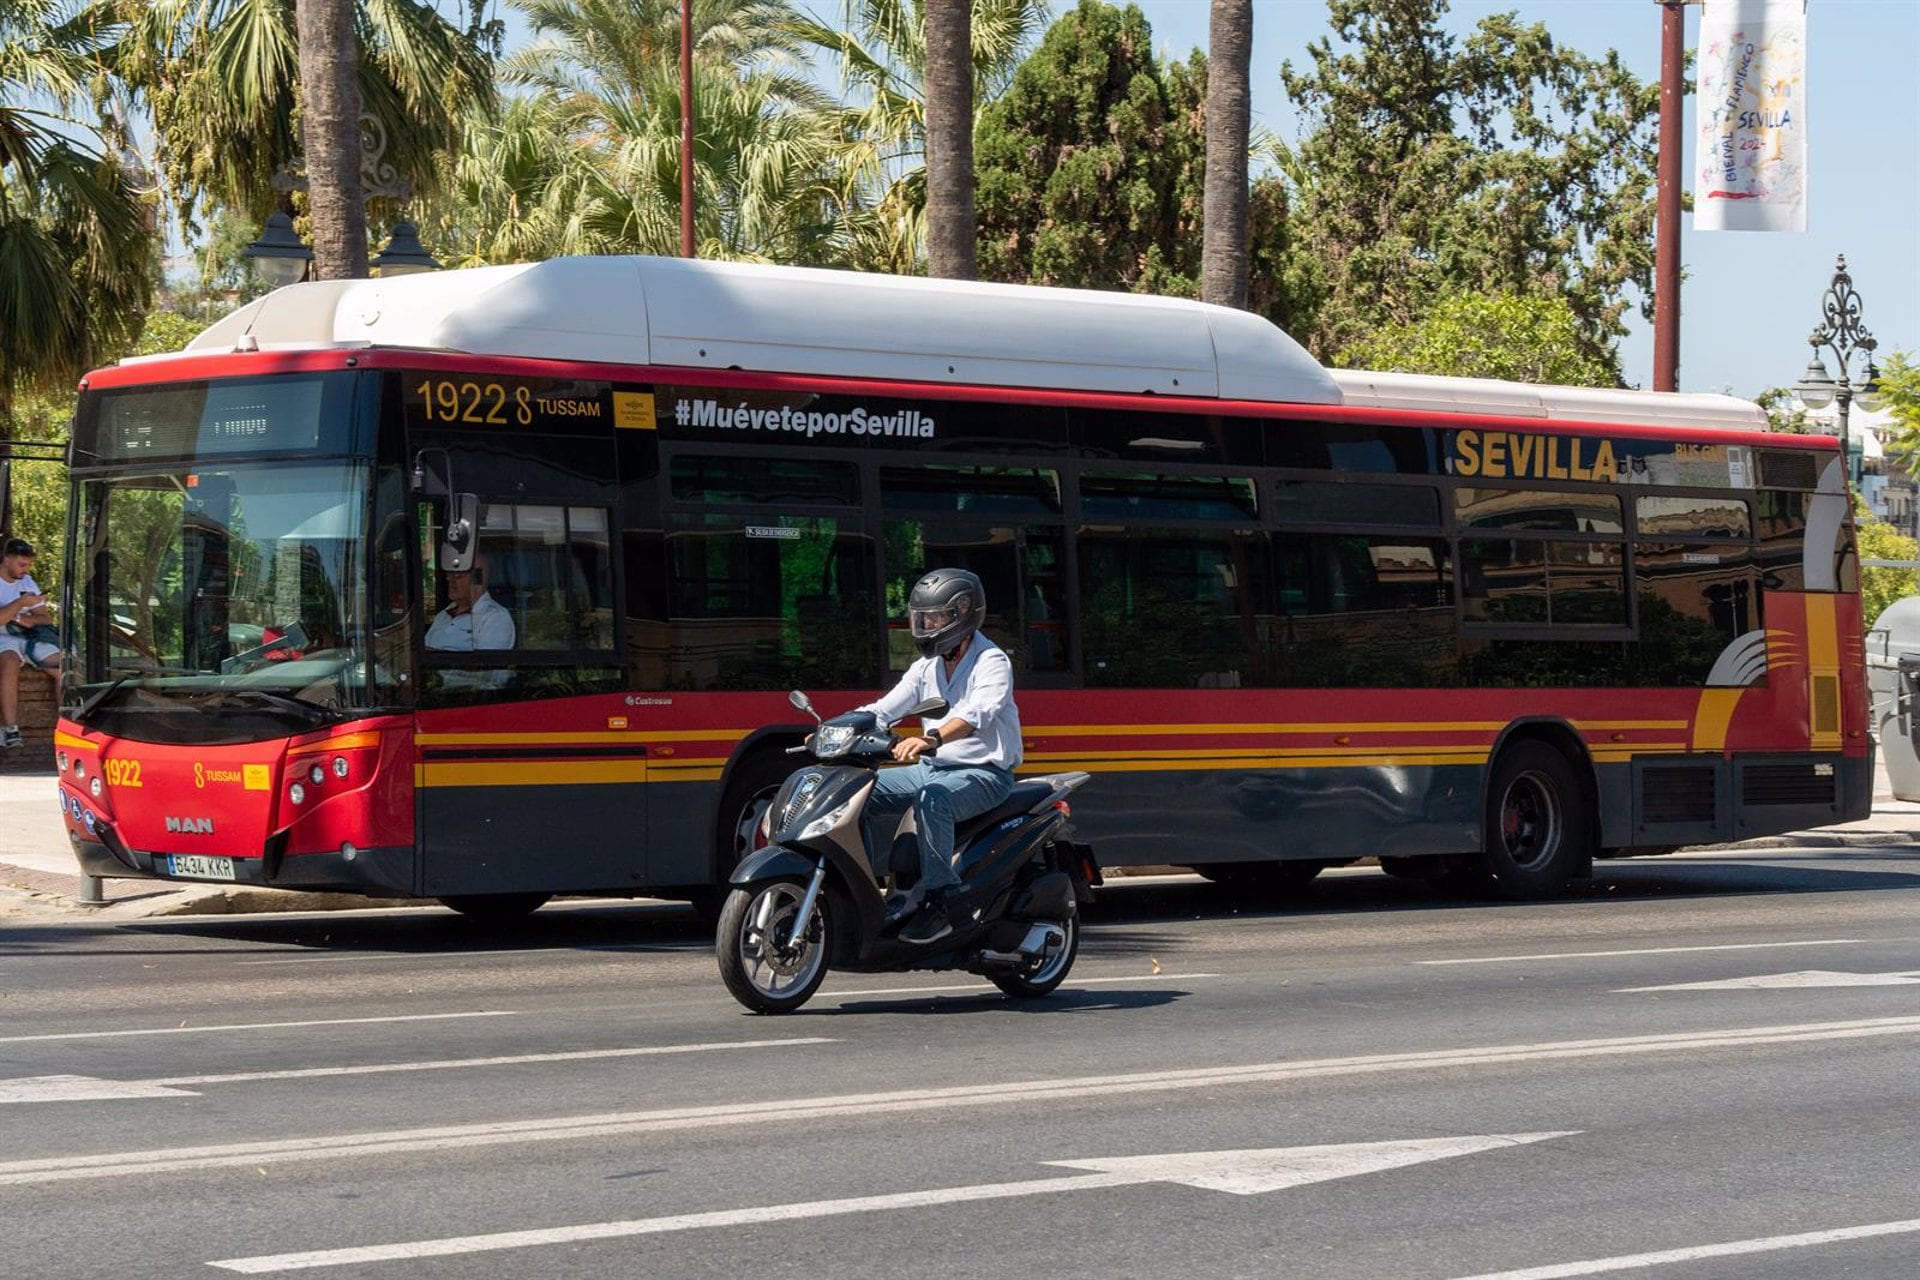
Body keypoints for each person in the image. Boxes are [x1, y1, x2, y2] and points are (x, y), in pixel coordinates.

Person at [858, 568, 1023, 945]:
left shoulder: (991, 661)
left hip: (983, 774)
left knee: (932, 800)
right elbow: (884, 710)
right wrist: (836, 727)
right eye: (923, 617)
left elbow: (978, 712)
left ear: (963, 613)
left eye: (935, 617)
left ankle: (940, 902)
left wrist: (930, 738)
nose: (927, 624)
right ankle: (861, 894)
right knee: (857, 791)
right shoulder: (927, 666)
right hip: (933, 769)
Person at [0, 537, 60, 749]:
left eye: (28, 565)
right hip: (3, 637)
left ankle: (67, 726)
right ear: (7, 560)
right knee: (9, 663)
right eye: (21, 565)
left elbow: (44, 618)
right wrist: (20, 604)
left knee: (63, 666)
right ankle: (11, 728)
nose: (25, 570)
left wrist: (23, 619)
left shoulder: (27, 582)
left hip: (29, 635)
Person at [425, 554, 515, 651]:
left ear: (478, 580)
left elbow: (485, 663)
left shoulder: (496, 618)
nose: (450, 579)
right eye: (450, 573)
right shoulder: (443, 615)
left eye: (458, 574)